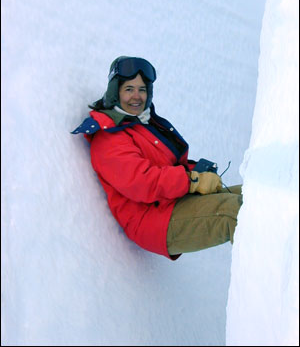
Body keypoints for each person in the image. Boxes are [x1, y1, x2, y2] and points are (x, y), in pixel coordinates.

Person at [71, 56, 243, 260]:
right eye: (129, 89)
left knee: (254, 196)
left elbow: (168, 165)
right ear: (115, 91)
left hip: (172, 201)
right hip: (153, 220)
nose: (136, 96)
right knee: (238, 212)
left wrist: (196, 171)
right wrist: (192, 181)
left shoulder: (141, 123)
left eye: (142, 89)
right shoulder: (109, 138)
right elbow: (142, 182)